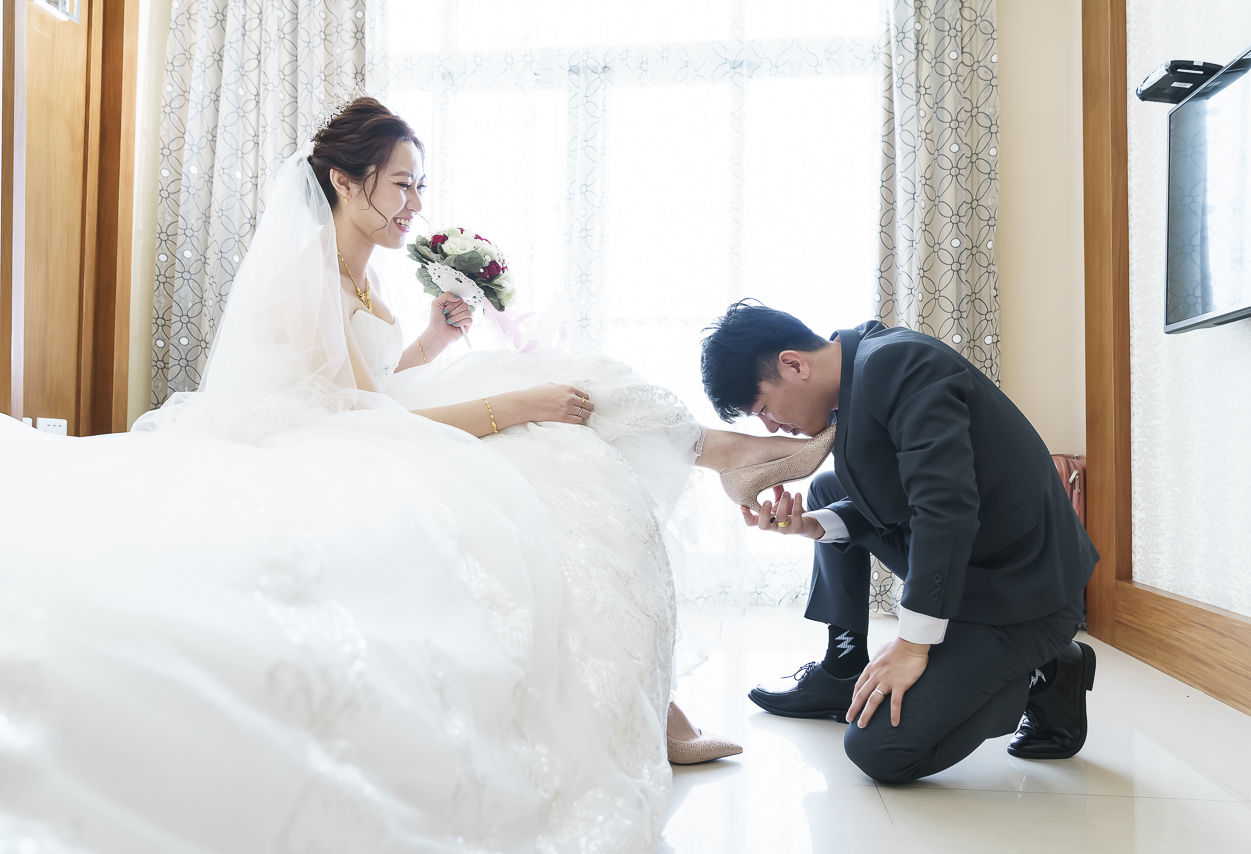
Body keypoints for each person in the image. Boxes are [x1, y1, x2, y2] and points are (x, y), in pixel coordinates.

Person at [0, 100, 826, 851]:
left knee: (581, 395)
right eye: (401, 184)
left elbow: (376, 381)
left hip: (370, 420)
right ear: (344, 181)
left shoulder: (363, 271)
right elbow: (362, 414)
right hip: (330, 443)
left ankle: (725, 468)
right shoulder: (306, 275)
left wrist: (434, 342)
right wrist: (517, 404)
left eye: (419, 186)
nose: (415, 205)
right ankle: (709, 525)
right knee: (556, 442)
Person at [699, 301, 1100, 784]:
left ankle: (1049, 674)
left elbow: (945, 508)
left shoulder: (897, 363)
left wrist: (912, 645)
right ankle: (843, 665)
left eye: (764, 409)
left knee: (879, 750)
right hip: (974, 563)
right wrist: (811, 526)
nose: (770, 427)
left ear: (793, 364)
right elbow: (904, 497)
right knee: (826, 491)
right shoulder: (859, 366)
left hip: (1023, 589)